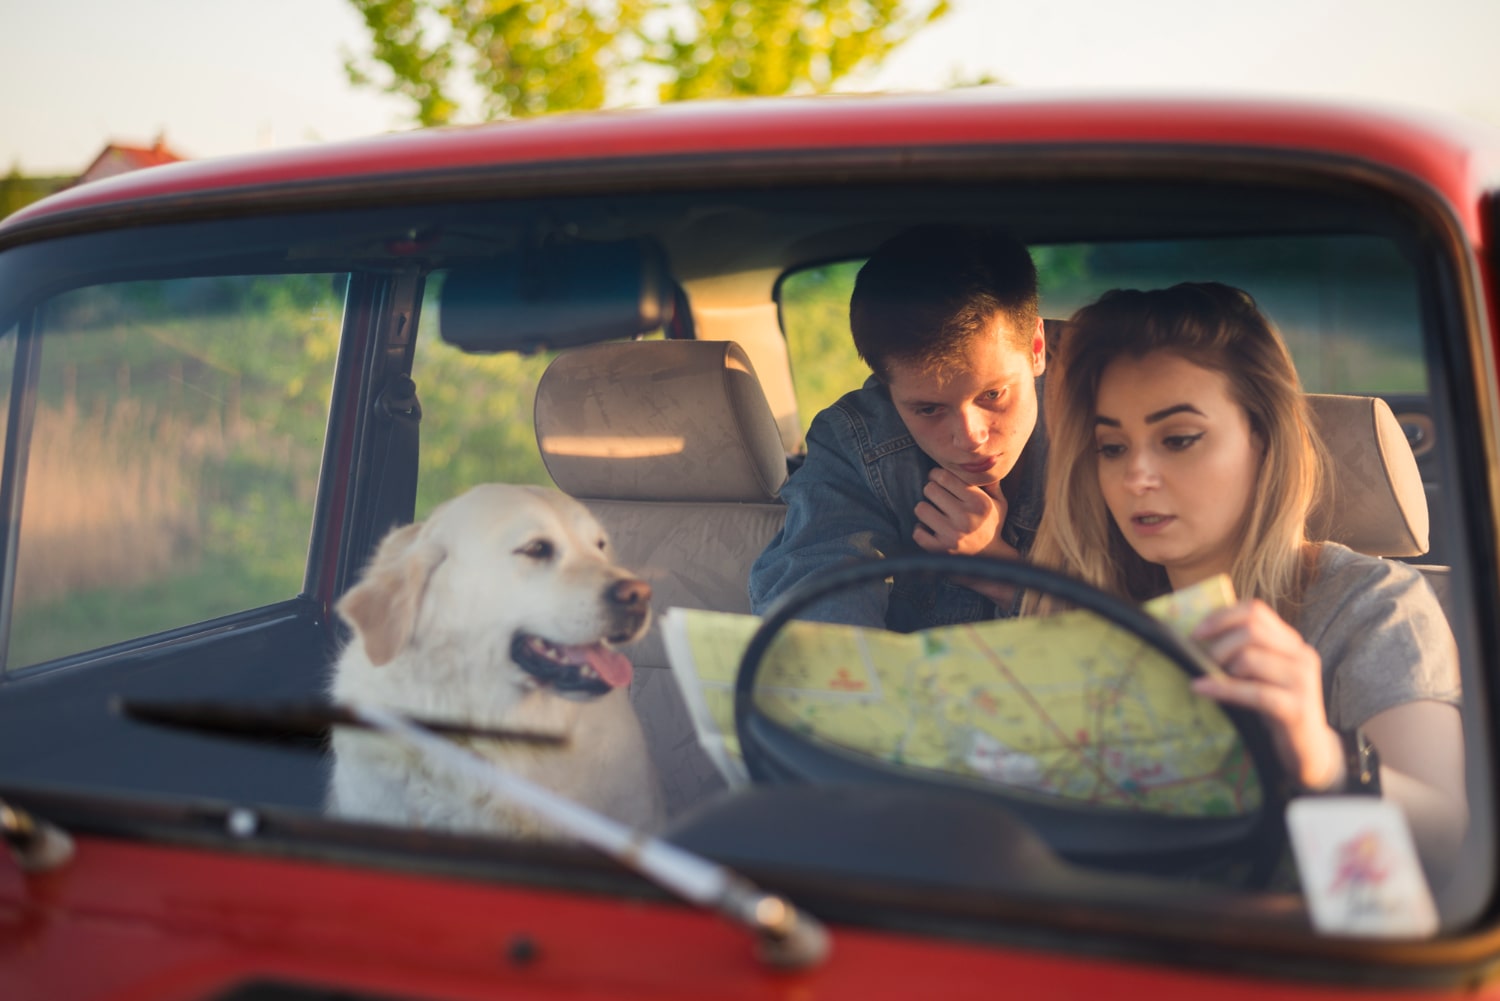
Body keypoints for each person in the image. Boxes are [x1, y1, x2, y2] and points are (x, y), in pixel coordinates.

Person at [1028, 281, 1466, 881]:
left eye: (1178, 439)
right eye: (1111, 446)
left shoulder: (1374, 607)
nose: (1136, 476)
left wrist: (1321, 756)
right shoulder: (1084, 604)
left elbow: (1446, 838)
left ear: (1262, 438)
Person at [748, 225, 1048, 630]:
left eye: (992, 395)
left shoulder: (1112, 419)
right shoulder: (859, 439)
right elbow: (818, 590)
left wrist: (995, 569)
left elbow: (1148, 617)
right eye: (928, 409)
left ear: (1035, 349)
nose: (970, 436)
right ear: (888, 391)